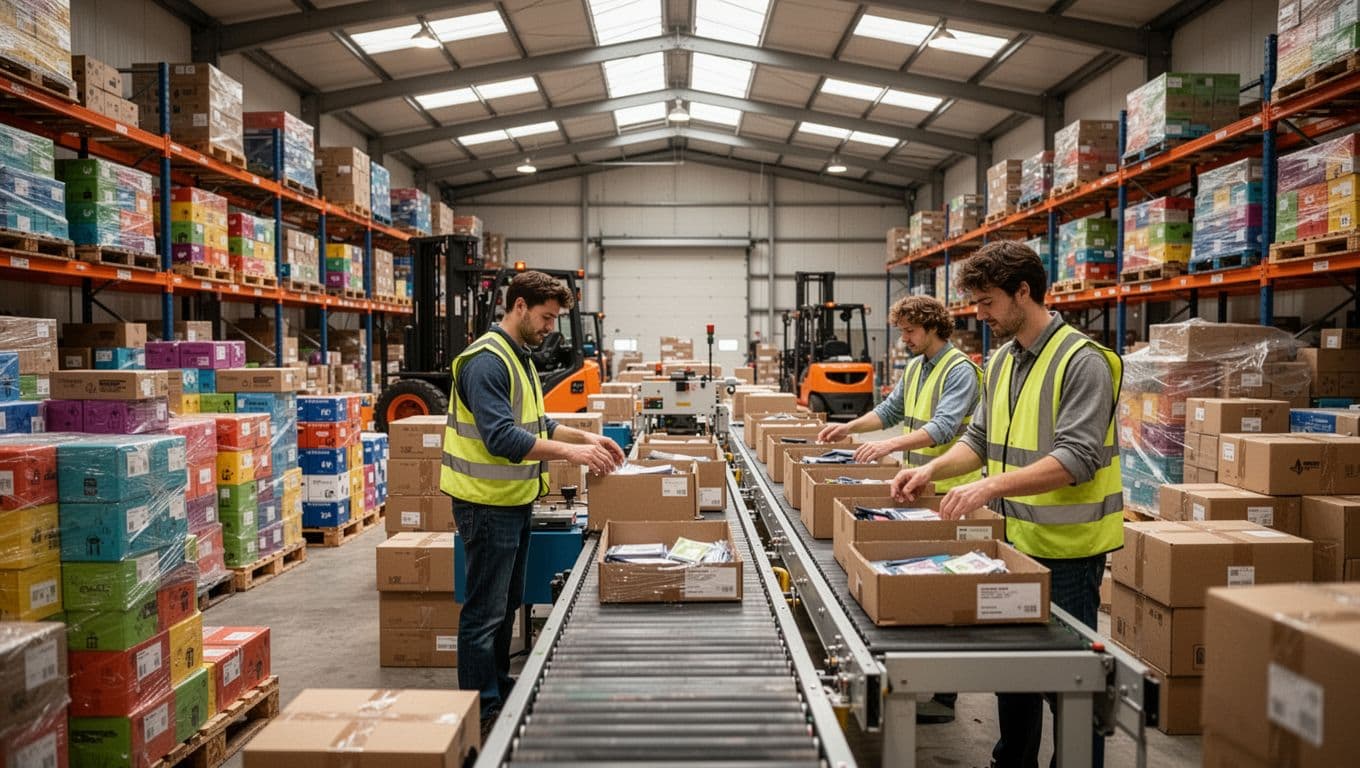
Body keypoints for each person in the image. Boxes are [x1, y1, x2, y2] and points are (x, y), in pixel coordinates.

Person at [889, 241, 1123, 768]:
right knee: (1013, 669)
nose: (980, 313)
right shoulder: (1000, 362)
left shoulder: (1083, 361)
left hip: (1068, 548)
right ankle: (1012, 760)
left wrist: (991, 488)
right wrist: (930, 468)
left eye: (988, 300)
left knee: (1069, 681)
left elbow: (1078, 457)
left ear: (1024, 292)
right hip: (1012, 541)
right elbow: (976, 439)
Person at [440, 270, 625, 736]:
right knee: (485, 613)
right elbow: (502, 437)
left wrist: (587, 436)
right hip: (486, 506)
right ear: (518, 306)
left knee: (505, 604)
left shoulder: (517, 355)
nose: (550, 328)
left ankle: (498, 689)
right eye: (545, 317)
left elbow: (536, 422)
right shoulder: (486, 361)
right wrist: (572, 454)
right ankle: (479, 710)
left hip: (514, 500)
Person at [817, 294, 981, 724]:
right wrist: (848, 427)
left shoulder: (959, 370)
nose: (904, 338)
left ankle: (946, 696)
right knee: (920, 582)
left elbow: (944, 426)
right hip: (917, 490)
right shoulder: (916, 368)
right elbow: (891, 410)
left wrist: (890, 444)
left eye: (909, 331)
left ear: (931, 327)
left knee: (948, 592)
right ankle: (921, 681)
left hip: (952, 493)